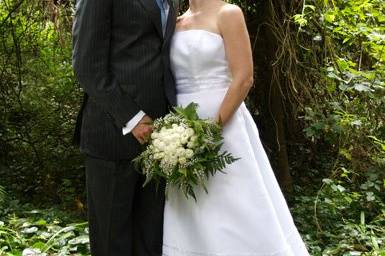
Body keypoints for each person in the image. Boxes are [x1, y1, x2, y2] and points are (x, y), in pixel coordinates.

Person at [162, 0, 310, 255]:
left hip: (225, 124)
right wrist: (177, 135)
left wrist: (211, 130)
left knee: (235, 204)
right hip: (181, 129)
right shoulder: (173, 21)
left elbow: (244, 78)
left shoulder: (228, 13)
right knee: (194, 208)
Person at [71, 0, 177, 255]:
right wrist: (133, 117)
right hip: (112, 137)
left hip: (161, 142)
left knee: (151, 242)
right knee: (111, 243)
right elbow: (86, 66)